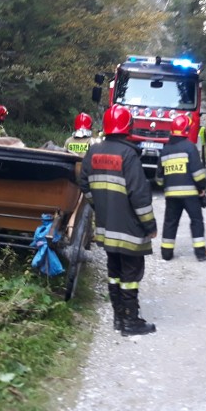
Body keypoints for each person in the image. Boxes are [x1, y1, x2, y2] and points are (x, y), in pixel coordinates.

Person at [79, 105, 158, 336]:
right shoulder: (128, 154)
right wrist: (150, 225)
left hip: (107, 229)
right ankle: (131, 322)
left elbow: (84, 185)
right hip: (130, 231)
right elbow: (140, 195)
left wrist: (99, 206)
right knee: (131, 277)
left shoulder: (93, 152)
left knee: (114, 272)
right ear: (127, 127)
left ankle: (118, 319)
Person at [156, 114, 206, 262]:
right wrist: (202, 188)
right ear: (186, 130)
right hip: (190, 194)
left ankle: (166, 253)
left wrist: (166, 185)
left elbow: (159, 178)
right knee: (196, 220)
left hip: (171, 196)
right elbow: (198, 173)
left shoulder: (165, 150)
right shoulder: (189, 147)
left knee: (170, 222)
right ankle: (200, 253)